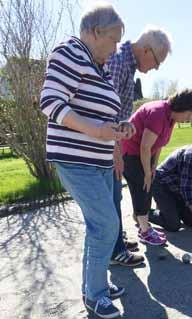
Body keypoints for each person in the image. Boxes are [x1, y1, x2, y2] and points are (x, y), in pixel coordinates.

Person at [40, 3, 134, 318]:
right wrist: (95, 129)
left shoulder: (99, 66)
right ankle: (95, 296)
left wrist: (120, 128)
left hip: (100, 160)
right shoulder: (70, 52)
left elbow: (100, 112)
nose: (117, 47)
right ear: (95, 32)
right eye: (114, 39)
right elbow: (50, 102)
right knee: (107, 224)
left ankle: (96, 286)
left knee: (100, 225)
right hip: (75, 159)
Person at [107, 26, 172, 266]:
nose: (156, 67)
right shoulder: (117, 61)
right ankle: (113, 250)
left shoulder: (129, 65)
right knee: (110, 198)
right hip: (104, 143)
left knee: (114, 195)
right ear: (146, 50)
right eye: (157, 61)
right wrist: (116, 152)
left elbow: (121, 114)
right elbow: (107, 111)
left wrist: (125, 127)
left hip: (114, 141)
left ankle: (116, 240)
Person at [121, 89, 192, 245]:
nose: (189, 118)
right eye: (189, 114)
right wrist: (146, 173)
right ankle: (144, 232)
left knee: (147, 187)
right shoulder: (158, 113)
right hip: (130, 153)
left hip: (144, 154)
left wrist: (153, 168)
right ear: (181, 107)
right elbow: (144, 147)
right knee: (142, 187)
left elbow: (158, 145)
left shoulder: (171, 119)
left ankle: (143, 224)